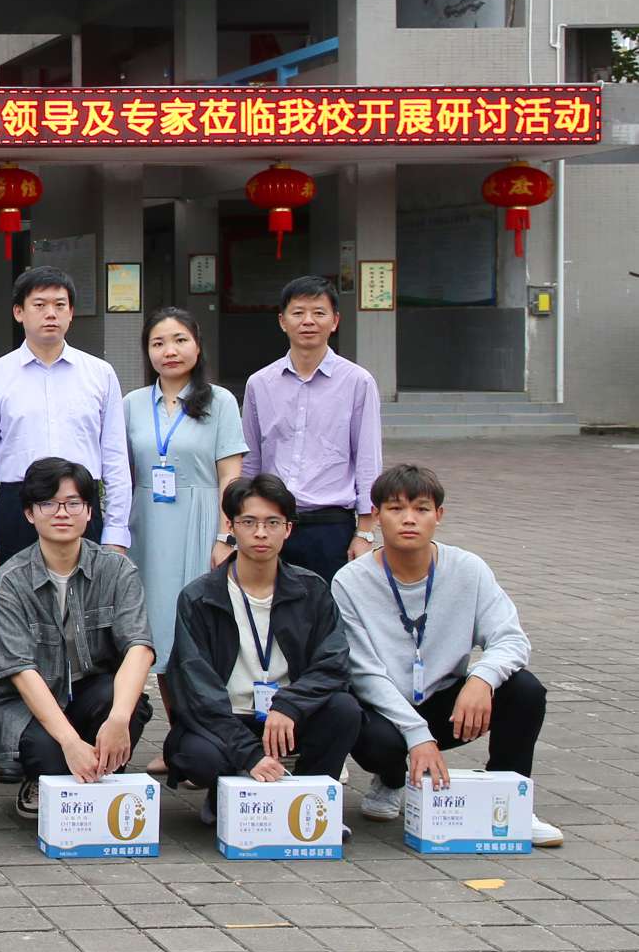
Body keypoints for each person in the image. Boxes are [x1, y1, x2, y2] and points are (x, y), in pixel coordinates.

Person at [334, 463, 561, 846]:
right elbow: (365, 673)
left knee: (523, 689)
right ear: (376, 517)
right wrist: (418, 736)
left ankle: (507, 796)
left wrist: (481, 678)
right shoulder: (350, 581)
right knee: (375, 737)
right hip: (384, 708)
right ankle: (390, 780)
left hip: (446, 701)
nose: (409, 520)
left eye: (421, 509)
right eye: (395, 509)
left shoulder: (468, 569)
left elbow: (511, 639)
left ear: (438, 516)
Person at [160, 475, 362, 820]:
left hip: (287, 716)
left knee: (344, 710)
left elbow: (334, 663)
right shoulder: (200, 596)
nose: (260, 533)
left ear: (289, 529)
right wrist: (248, 753)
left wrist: (290, 705)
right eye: (249, 522)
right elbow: (195, 687)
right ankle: (231, 792)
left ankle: (310, 800)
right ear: (231, 526)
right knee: (193, 753)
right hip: (227, 719)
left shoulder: (311, 589)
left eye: (272, 523)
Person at [0, 458, 154, 820]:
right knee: (51, 758)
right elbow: (21, 673)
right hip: (30, 705)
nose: (62, 512)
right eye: (48, 503)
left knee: (125, 701)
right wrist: (71, 742)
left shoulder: (116, 569)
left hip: (89, 694)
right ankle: (44, 776)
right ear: (30, 514)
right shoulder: (10, 581)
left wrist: (119, 719)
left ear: (89, 512)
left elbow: (139, 648)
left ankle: (100, 773)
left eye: (73, 503)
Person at [126, 307, 247, 767]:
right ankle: (179, 738)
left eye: (179, 340)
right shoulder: (132, 403)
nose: (169, 351)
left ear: (197, 345)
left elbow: (230, 475)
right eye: (158, 343)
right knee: (157, 630)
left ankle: (211, 735)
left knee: (200, 632)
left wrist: (225, 535)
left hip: (201, 522)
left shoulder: (220, 402)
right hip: (148, 527)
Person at [0, 266, 131, 580]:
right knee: (21, 610)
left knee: (87, 610)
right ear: (19, 312)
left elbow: (115, 458)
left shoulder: (100, 374)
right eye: (39, 305)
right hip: (17, 509)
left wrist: (115, 530)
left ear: (71, 313)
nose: (50, 314)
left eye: (60, 305)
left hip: (81, 505)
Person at [242, 276, 385, 580]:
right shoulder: (260, 384)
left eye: (319, 313)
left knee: (328, 616)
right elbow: (250, 460)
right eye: (298, 312)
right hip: (271, 523)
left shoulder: (358, 382)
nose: (308, 321)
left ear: (335, 321)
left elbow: (367, 460)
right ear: (282, 321)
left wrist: (366, 532)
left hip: (330, 527)